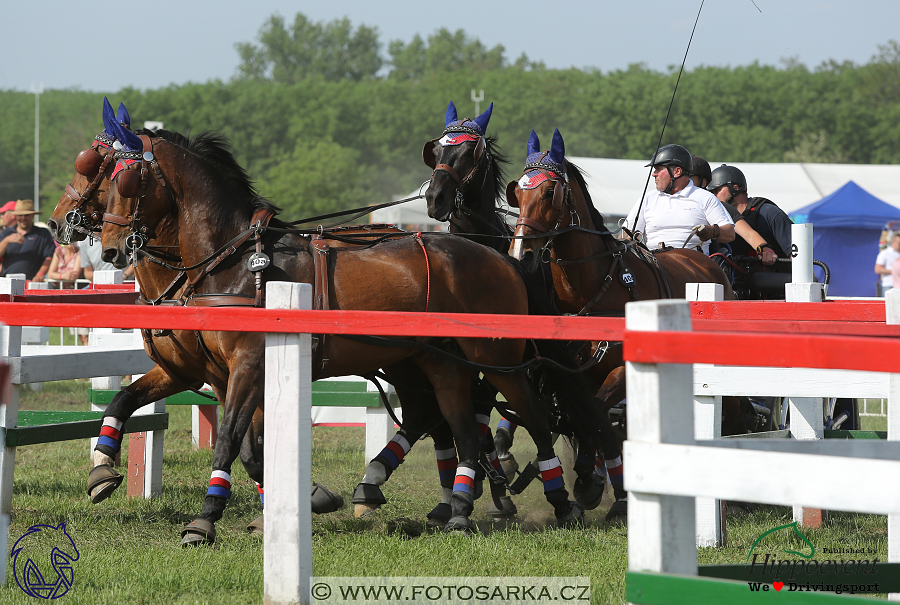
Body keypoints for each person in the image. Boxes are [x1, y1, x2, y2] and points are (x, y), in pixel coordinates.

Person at [625, 144, 734, 255]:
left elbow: (730, 233)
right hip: (654, 264)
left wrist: (712, 231)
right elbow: (627, 237)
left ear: (677, 171)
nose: (653, 174)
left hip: (693, 264)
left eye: (658, 169)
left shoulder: (705, 198)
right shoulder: (647, 199)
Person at [689, 155, 777, 265]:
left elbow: (749, 234)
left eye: (689, 178)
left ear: (703, 182)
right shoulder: (664, 201)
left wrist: (765, 249)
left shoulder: (716, 205)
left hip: (702, 265)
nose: (682, 181)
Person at [707, 164, 793, 272]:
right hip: (738, 283)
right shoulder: (719, 220)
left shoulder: (769, 213)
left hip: (775, 282)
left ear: (735, 188)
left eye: (716, 191)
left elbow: (799, 256)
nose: (713, 196)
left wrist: (809, 282)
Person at [0, 199, 55, 282]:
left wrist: (40, 274)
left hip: (32, 282)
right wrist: (7, 241)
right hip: (7, 282)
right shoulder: (6, 233)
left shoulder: (42, 233)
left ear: (33, 216)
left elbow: (49, 256)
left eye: (27, 215)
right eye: (20, 215)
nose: (23, 218)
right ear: (16, 216)